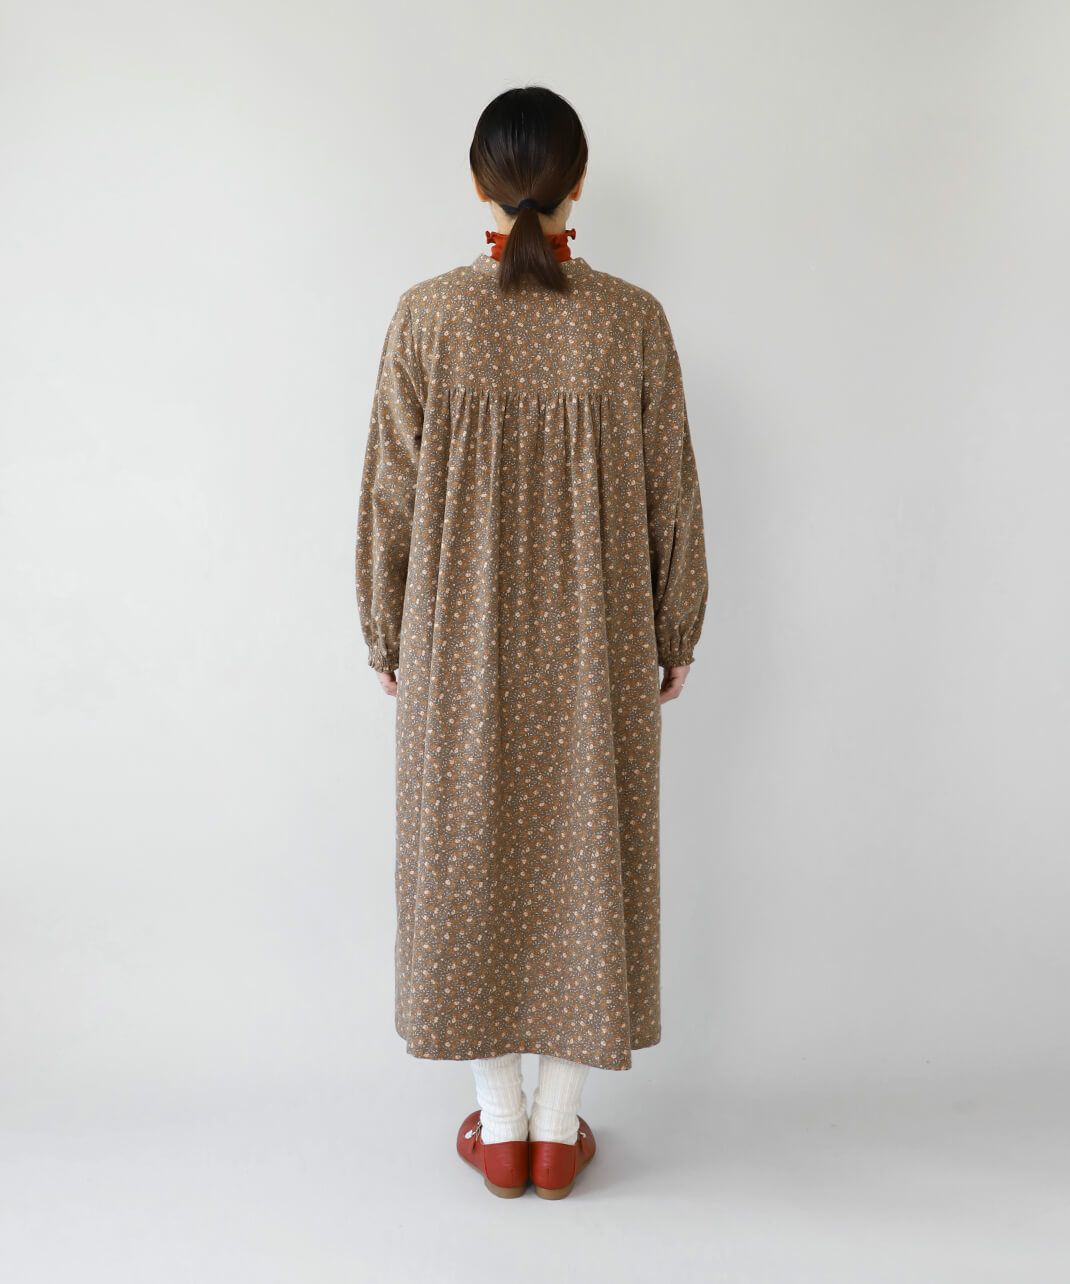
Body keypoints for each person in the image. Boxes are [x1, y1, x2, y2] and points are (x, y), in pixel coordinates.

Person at [355, 85, 709, 1200]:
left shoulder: (427, 318)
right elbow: (672, 493)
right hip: (599, 643)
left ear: (478, 184)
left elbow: (389, 496)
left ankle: (499, 1124)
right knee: (585, 856)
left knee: (466, 854)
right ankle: (556, 1132)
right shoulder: (631, 320)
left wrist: (385, 627)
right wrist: (674, 624)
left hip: (457, 642)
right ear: (578, 182)